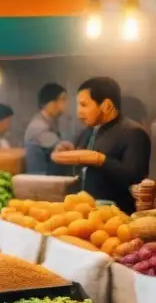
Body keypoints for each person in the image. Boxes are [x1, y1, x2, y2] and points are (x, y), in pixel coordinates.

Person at [52, 77, 152, 213]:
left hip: (119, 216)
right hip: (85, 212)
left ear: (107, 106)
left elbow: (135, 179)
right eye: (78, 105)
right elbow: (81, 173)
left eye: (84, 105)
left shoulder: (133, 132)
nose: (79, 112)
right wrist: (70, 153)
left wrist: (100, 160)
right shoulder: (88, 131)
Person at [24, 83, 73, 175]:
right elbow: (62, 150)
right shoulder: (39, 126)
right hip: (41, 180)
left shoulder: (48, 122)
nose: (66, 104)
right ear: (50, 103)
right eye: (63, 99)